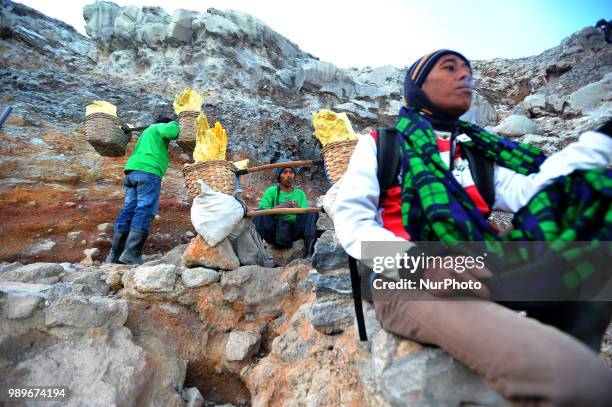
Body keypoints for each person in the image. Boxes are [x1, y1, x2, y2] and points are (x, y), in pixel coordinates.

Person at [334, 49, 612, 405]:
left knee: (593, 211)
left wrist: (603, 139)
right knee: (584, 381)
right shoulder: (382, 144)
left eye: (468, 70)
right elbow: (352, 221)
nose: (464, 76)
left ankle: (562, 347)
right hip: (408, 280)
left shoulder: (476, 154)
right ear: (416, 86)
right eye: (450, 68)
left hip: (480, 265)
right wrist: (421, 263)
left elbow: (542, 187)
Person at [106, 114, 180, 265]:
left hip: (132, 172)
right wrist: (175, 123)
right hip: (148, 172)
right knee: (144, 209)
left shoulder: (146, 135)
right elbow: (172, 132)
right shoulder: (158, 127)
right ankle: (131, 254)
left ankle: (115, 255)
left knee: (128, 209)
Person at [252, 159, 318, 258]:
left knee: (311, 213)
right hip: (275, 230)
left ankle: (309, 253)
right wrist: (279, 207)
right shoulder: (271, 191)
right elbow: (262, 210)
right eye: (285, 172)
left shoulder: (300, 193)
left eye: (291, 172)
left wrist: (298, 208)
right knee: (260, 213)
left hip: (294, 230)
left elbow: (306, 213)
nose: (289, 175)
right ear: (279, 176)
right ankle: (258, 254)